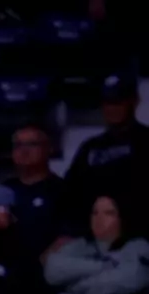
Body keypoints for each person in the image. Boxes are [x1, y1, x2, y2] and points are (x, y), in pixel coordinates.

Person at [42, 194, 149, 294]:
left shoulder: (140, 247)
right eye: (95, 213)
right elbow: (51, 271)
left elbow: (123, 283)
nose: (99, 219)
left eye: (108, 213)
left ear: (122, 217)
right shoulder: (79, 245)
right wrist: (102, 266)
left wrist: (71, 285)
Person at [63, 73, 149, 231]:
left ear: (134, 101)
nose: (112, 108)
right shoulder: (90, 147)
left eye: (118, 102)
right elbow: (70, 194)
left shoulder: (146, 141)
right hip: (94, 236)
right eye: (107, 102)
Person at [3, 124, 68, 262]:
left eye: (32, 144)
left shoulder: (64, 190)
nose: (24, 151)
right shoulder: (2, 191)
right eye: (18, 145)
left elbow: (69, 237)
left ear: (49, 149)